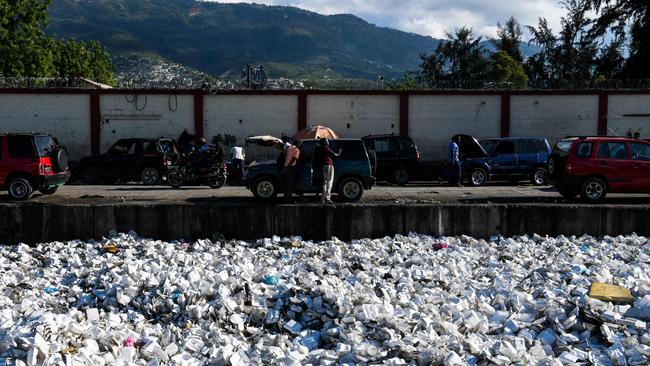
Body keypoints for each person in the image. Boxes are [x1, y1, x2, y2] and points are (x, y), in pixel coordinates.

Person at [314, 138, 342, 204]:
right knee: (329, 182)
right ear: (325, 142)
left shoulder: (320, 148)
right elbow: (333, 154)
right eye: (327, 141)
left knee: (325, 182)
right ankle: (327, 198)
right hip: (328, 165)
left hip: (323, 166)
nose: (328, 142)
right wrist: (339, 153)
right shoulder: (326, 147)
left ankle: (323, 198)